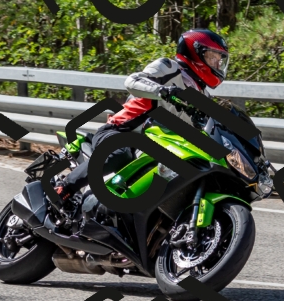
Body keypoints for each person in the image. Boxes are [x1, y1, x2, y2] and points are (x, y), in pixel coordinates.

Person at [55, 28, 230, 201]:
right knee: (120, 153)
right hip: (122, 131)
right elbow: (132, 81)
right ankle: (65, 187)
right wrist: (161, 90)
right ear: (195, 52)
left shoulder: (203, 96)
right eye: (212, 57)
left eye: (219, 60)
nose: (217, 64)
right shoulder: (169, 68)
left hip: (157, 147)